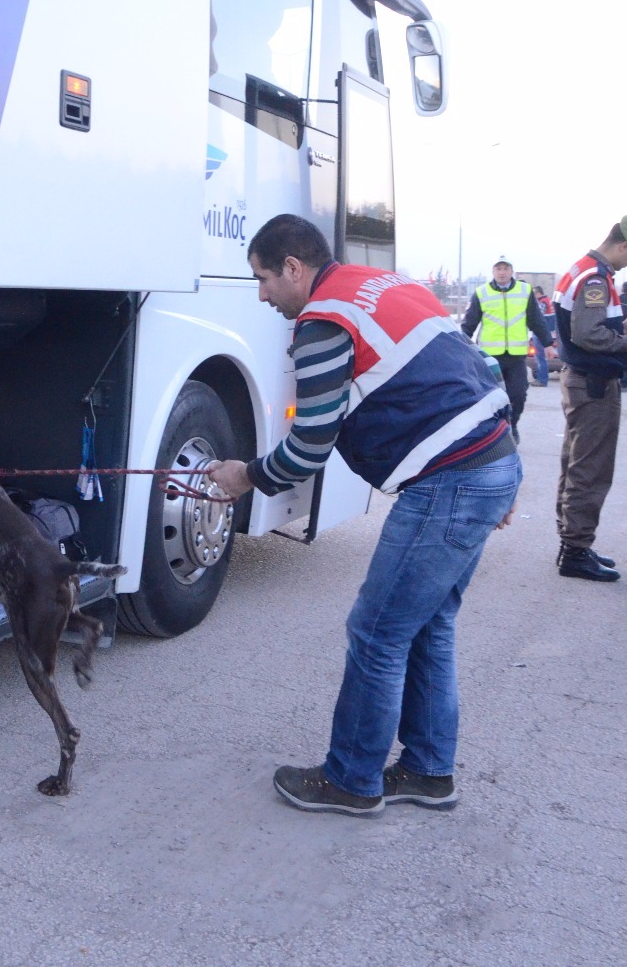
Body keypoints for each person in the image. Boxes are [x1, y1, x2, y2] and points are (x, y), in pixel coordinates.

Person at [205, 214, 520, 817]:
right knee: (426, 626)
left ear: (294, 268)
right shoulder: (386, 286)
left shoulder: (322, 323)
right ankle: (428, 772)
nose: (263, 294)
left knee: (376, 631)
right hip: (487, 462)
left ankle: (350, 780)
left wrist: (242, 475)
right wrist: (499, 477)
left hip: (451, 481)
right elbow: (476, 371)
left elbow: (308, 449)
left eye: (264, 279)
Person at [553, 214, 627, 582]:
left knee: (576, 462)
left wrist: (618, 325)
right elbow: (586, 333)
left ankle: (572, 542)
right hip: (593, 382)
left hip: (580, 379)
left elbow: (587, 325)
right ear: (623, 245)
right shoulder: (595, 276)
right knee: (590, 468)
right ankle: (575, 550)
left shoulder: (584, 269)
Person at [461, 259, 553, 436]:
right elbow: (469, 324)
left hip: (516, 357)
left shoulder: (524, 291)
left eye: (505, 268)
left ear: (512, 271)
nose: (502, 272)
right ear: (493, 271)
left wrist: (548, 343)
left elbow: (536, 320)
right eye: (498, 269)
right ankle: (494, 432)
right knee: (489, 397)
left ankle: (512, 425)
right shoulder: (482, 293)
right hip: (490, 358)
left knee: (518, 395)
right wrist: (459, 345)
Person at [531, 285, 556, 387]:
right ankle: (540, 378)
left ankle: (542, 380)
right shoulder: (547, 300)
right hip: (546, 332)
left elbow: (537, 316)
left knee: (540, 357)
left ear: (538, 293)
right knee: (540, 357)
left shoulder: (542, 302)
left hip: (540, 333)